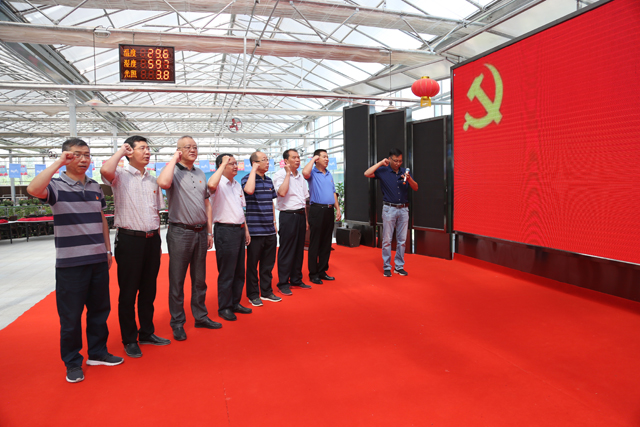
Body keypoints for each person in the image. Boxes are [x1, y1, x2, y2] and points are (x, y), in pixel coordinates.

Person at [27, 138, 124, 383]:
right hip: (70, 263)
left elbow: (101, 219)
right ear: (66, 157)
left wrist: (107, 251)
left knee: (99, 310)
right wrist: (58, 163)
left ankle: (98, 352)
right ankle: (72, 361)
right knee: (70, 317)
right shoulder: (55, 186)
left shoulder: (95, 187)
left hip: (98, 259)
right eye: (76, 155)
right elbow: (33, 189)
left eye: (87, 155)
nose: (83, 159)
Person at [100, 135, 170, 359]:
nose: (147, 152)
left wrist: (157, 240)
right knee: (129, 292)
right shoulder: (119, 175)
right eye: (142, 148)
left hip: (152, 240)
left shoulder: (153, 180)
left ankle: (147, 332)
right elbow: (105, 170)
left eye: (148, 148)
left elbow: (156, 211)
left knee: (149, 290)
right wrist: (121, 151)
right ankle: (129, 339)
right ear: (130, 152)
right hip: (130, 241)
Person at [157, 136, 221, 341]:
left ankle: (200, 316)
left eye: (195, 147)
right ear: (179, 150)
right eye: (187, 147)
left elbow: (207, 203)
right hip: (180, 232)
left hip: (201, 232)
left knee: (200, 279)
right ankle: (177, 322)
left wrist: (209, 232)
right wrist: (174, 159)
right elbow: (163, 183)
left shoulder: (200, 172)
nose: (192, 150)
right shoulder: (172, 171)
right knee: (177, 280)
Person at [207, 154, 253, 321]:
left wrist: (245, 229)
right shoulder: (218, 183)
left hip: (239, 230)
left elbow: (241, 209)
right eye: (230, 163)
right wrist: (221, 164)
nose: (235, 166)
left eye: (235, 163)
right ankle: (224, 307)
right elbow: (210, 185)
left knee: (239, 271)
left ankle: (235, 302)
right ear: (221, 165)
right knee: (227, 271)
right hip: (225, 231)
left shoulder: (236, 184)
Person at [364, 148, 418, 277]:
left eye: (400, 161)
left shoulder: (405, 172)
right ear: (389, 159)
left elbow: (416, 187)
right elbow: (367, 173)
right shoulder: (383, 171)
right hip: (389, 209)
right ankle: (387, 266)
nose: (398, 163)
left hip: (404, 209)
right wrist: (380, 163)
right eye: (395, 161)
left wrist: (409, 179)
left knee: (402, 240)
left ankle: (399, 266)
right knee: (387, 240)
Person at [241, 151, 282, 306]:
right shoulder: (246, 179)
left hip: (269, 229)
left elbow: (271, 202)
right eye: (264, 160)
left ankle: (266, 291)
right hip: (255, 230)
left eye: (267, 159)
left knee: (268, 264)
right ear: (255, 163)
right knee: (252, 265)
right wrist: (253, 170)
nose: (267, 162)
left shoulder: (269, 180)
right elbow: (249, 191)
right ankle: (253, 294)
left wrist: (274, 222)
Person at [273, 149, 310, 296]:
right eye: (294, 157)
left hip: (300, 215)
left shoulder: (301, 177)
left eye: (298, 157)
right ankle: (283, 283)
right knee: (287, 250)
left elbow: (304, 200)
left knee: (299, 249)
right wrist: (288, 174)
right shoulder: (279, 175)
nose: (297, 160)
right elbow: (281, 192)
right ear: (286, 161)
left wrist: (306, 220)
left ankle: (296, 279)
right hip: (288, 216)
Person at [302, 149, 341, 285]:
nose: (327, 159)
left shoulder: (329, 174)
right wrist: (313, 159)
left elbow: (333, 192)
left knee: (326, 242)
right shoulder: (312, 173)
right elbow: (304, 173)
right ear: (317, 158)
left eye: (327, 157)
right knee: (315, 243)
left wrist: (338, 208)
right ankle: (313, 273)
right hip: (317, 210)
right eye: (324, 157)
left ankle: (322, 270)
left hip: (329, 210)